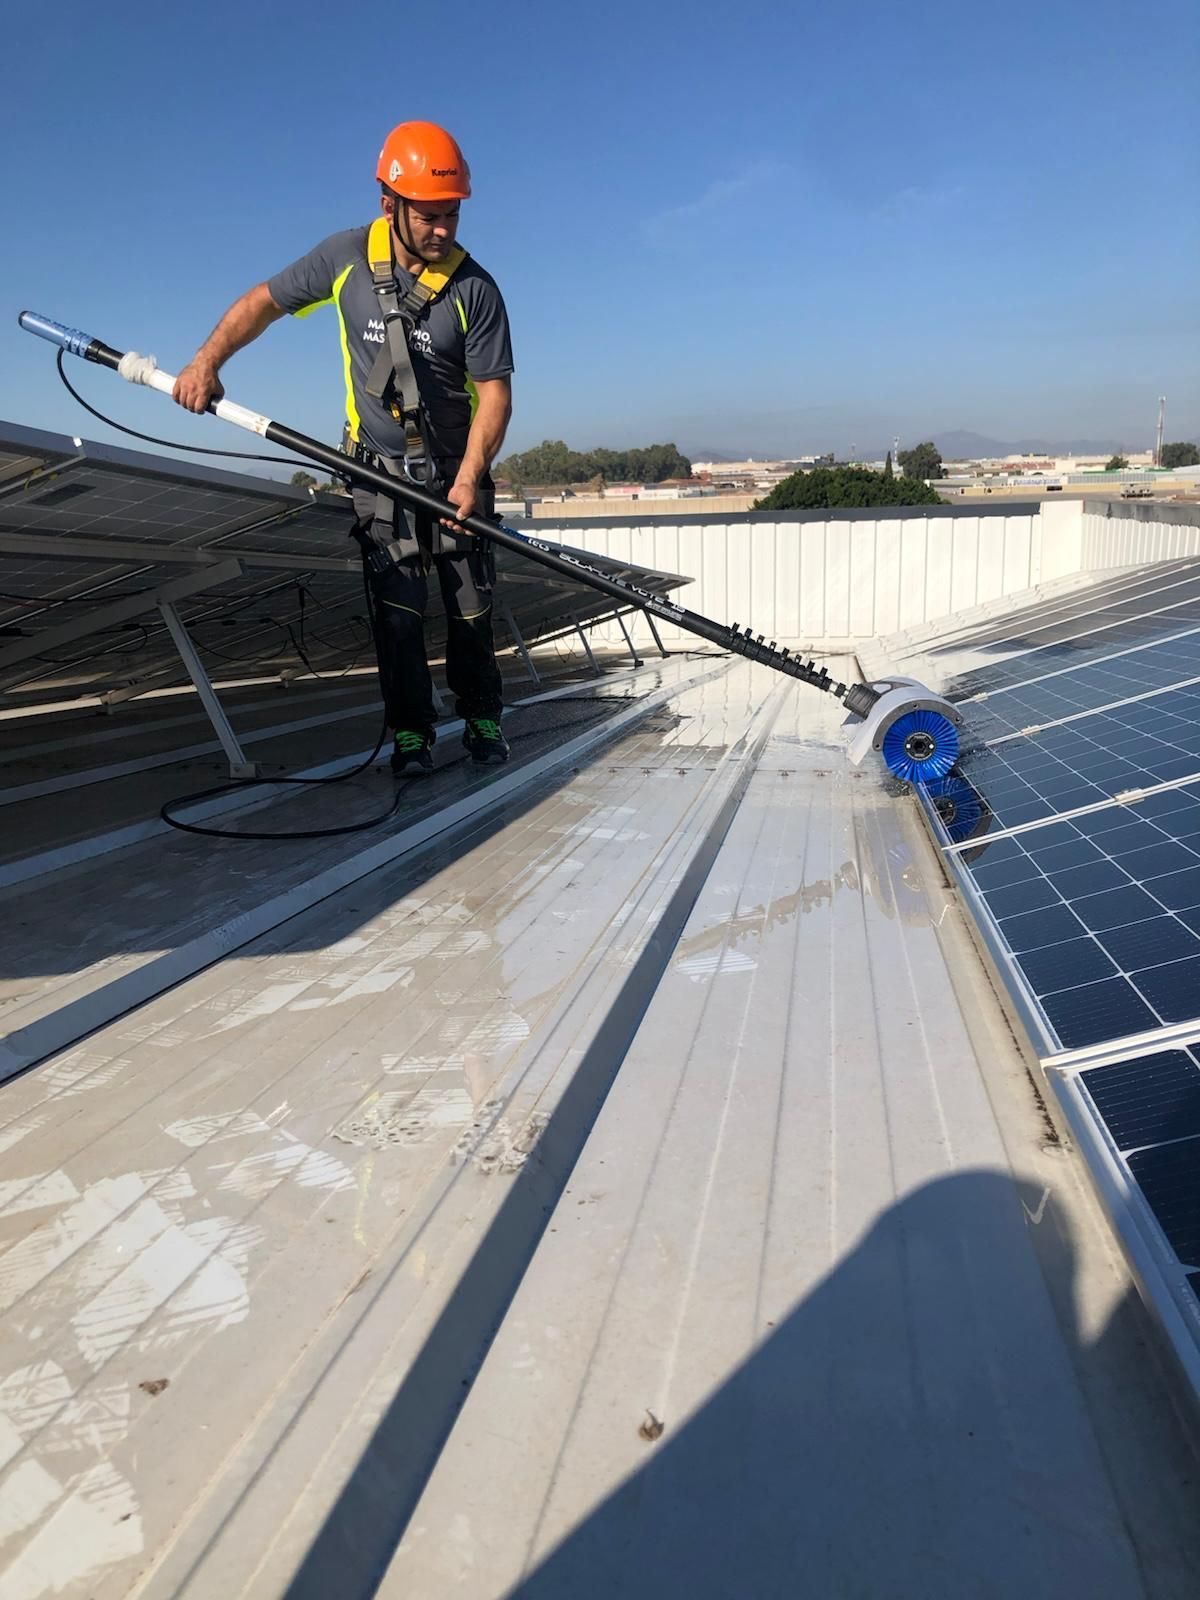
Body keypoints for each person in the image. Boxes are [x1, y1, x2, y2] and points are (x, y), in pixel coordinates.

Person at [173, 120, 514, 776]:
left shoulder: (476, 289)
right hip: (379, 473)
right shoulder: (344, 258)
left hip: (457, 475)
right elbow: (262, 303)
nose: (444, 229)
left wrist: (472, 476)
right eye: (430, 215)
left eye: (453, 213)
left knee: (471, 605)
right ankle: (411, 735)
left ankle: (482, 718)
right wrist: (206, 361)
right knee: (399, 613)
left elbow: (494, 397)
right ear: (390, 204)